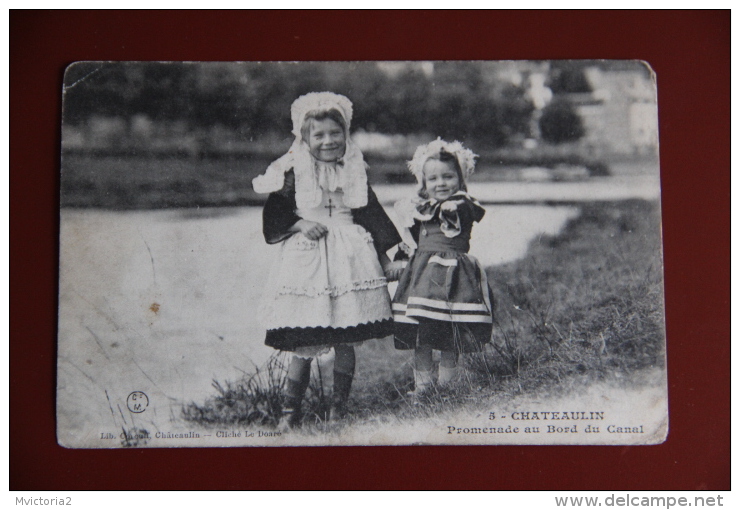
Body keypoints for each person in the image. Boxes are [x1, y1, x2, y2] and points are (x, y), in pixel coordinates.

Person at [252, 92, 401, 428]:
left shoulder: (353, 169)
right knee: (305, 338)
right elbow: (275, 214)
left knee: (346, 335)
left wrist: (385, 256)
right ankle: (291, 413)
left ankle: (338, 410)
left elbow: (371, 214)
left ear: (345, 134)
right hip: (310, 260)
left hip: (350, 257)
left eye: (336, 133)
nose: (328, 141)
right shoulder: (293, 171)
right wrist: (302, 223)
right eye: (318, 135)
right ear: (304, 139)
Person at [388, 138, 493, 394]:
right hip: (421, 279)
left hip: (453, 276)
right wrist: (400, 261)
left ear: (460, 178)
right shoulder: (420, 209)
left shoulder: (462, 204)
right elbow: (410, 240)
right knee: (420, 335)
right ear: (423, 183)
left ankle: (448, 387)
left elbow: (465, 212)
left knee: (450, 333)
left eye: (448, 177)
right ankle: (423, 389)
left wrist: (450, 205)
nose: (441, 183)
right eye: (433, 179)